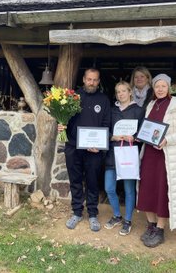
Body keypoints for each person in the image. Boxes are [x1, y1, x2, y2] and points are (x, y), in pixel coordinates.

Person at [136, 73, 176, 248]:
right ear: (153, 88)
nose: (160, 89)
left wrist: (167, 140)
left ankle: (160, 230)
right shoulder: (151, 104)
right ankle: (151, 226)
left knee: (162, 192)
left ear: (168, 88)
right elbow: (148, 128)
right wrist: (142, 136)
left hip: (166, 158)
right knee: (147, 190)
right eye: (157, 86)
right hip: (150, 156)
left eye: (163, 86)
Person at [58, 68, 111, 232]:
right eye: (89, 79)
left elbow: (106, 125)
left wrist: (100, 145)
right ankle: (77, 212)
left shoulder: (104, 100)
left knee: (93, 182)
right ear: (83, 79)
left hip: (94, 150)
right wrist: (61, 125)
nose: (92, 83)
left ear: (99, 80)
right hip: (73, 147)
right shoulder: (72, 98)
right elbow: (63, 118)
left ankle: (93, 214)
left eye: (95, 80)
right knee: (75, 180)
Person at [104, 81, 145, 236]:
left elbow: (143, 132)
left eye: (123, 91)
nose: (120, 94)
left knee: (129, 189)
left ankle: (127, 220)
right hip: (113, 154)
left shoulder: (139, 111)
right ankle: (117, 215)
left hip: (129, 154)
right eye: (117, 92)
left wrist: (134, 137)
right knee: (109, 187)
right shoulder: (111, 111)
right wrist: (112, 136)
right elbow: (105, 129)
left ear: (130, 92)